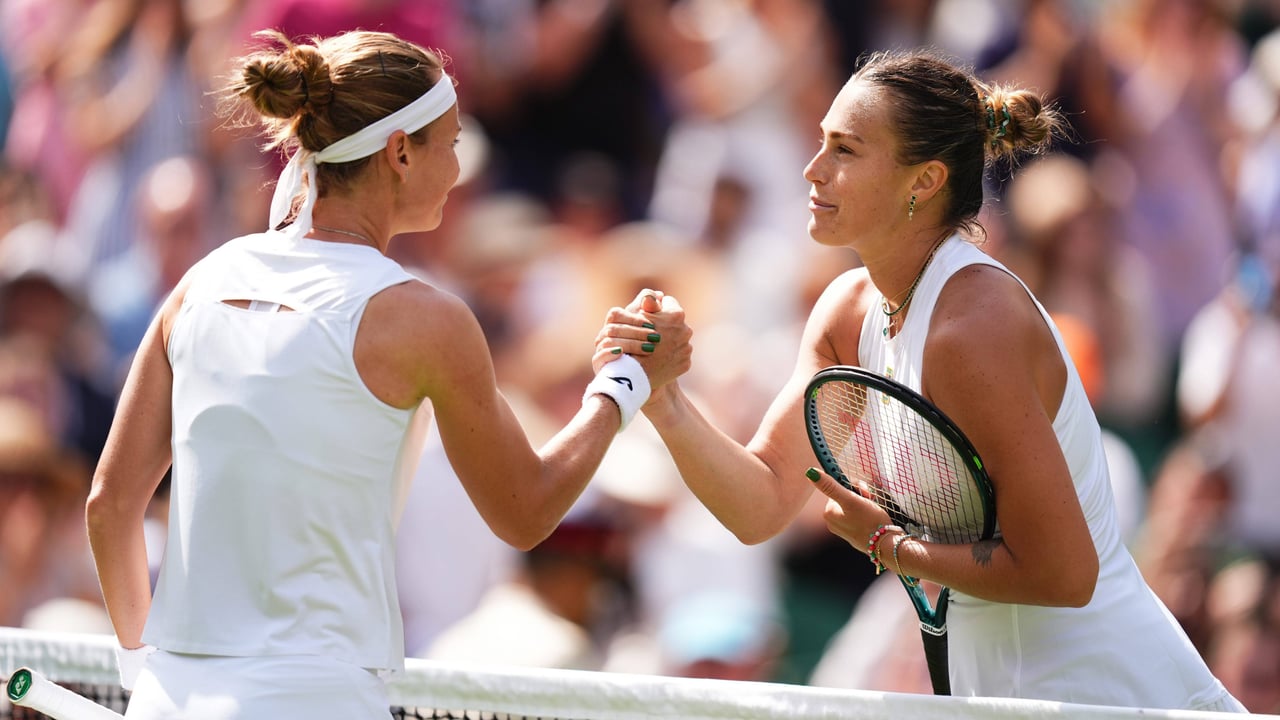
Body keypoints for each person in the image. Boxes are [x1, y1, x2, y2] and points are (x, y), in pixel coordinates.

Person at [601, 49, 1243, 710]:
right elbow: (759, 504)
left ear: (925, 180)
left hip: (1107, 692)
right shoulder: (847, 312)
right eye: (821, 142)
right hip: (999, 690)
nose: (813, 169)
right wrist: (663, 397)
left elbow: (1065, 573)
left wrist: (892, 547)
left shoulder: (974, 329)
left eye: (845, 150)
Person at [84, 29, 690, 720]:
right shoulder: (424, 318)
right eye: (451, 144)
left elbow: (110, 504)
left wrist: (140, 669)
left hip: (166, 702)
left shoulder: (201, 283)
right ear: (401, 152)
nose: (457, 170)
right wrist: (623, 384)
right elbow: (526, 511)